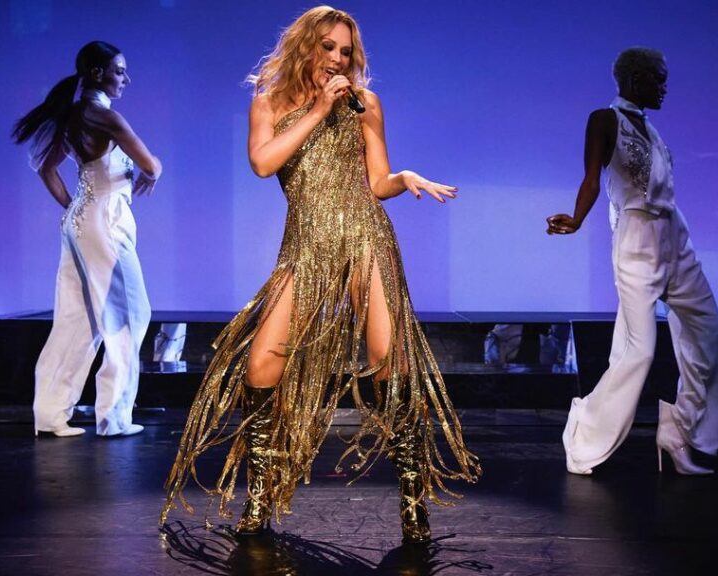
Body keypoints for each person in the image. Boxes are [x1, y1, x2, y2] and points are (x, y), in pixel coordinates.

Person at [160, 6, 480, 543]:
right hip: (306, 246)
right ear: (306, 46)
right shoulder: (269, 103)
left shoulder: (365, 104)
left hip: (365, 237)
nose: (337, 59)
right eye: (328, 47)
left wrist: (403, 176)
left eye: (346, 51)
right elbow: (264, 164)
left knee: (390, 364)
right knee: (262, 364)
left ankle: (412, 497)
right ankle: (260, 491)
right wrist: (316, 108)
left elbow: (376, 181)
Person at [546, 47, 718, 475]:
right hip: (637, 240)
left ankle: (678, 431)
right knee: (639, 352)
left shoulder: (652, 129)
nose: (665, 88)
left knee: (709, 338)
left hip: (675, 236)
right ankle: (585, 433)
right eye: (658, 79)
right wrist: (576, 219)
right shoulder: (604, 119)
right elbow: (592, 178)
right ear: (634, 78)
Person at [13, 41, 161, 438]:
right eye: (119, 71)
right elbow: (152, 163)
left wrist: (74, 206)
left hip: (80, 221)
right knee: (131, 315)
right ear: (98, 73)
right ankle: (114, 416)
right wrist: (149, 172)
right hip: (105, 223)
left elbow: (46, 168)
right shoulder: (103, 116)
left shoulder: (77, 114)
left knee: (77, 320)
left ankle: (49, 414)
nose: (126, 79)